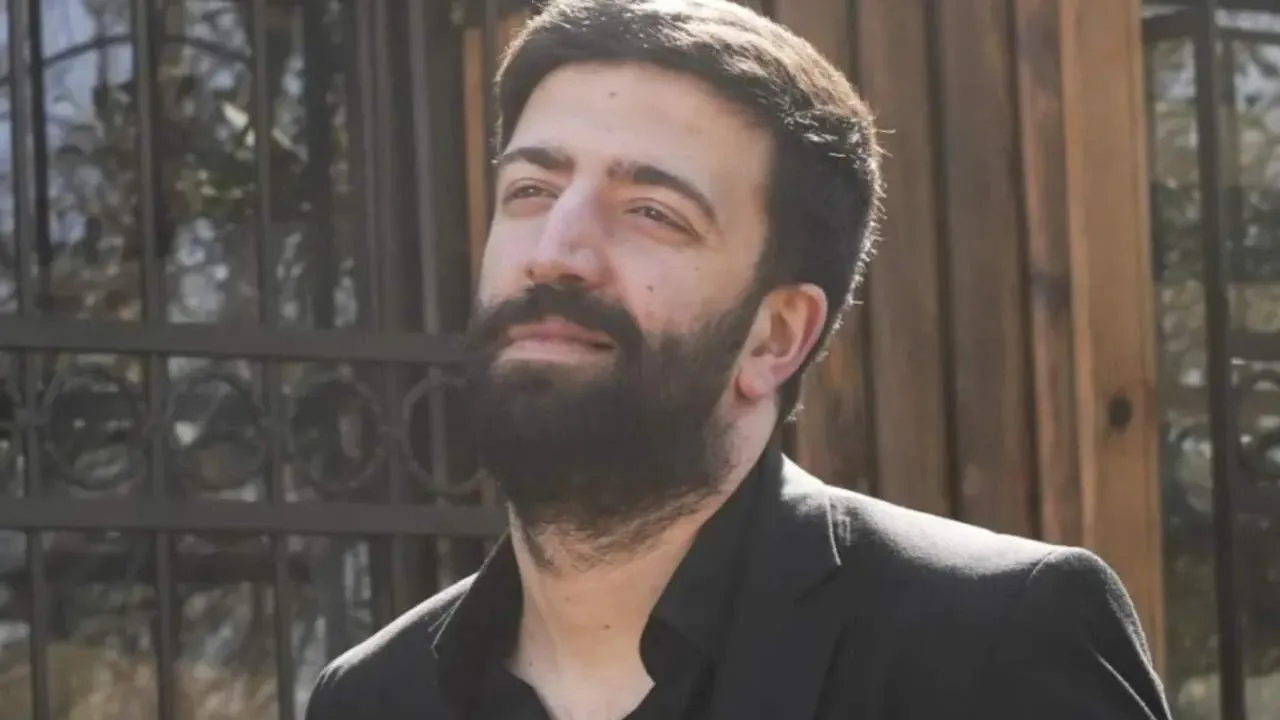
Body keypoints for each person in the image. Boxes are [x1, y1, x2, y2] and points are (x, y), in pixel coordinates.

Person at [303, 0, 1172, 718]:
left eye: (652, 211)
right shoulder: (373, 697)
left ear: (777, 336)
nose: (556, 252)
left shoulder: (990, 645)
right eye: (530, 191)